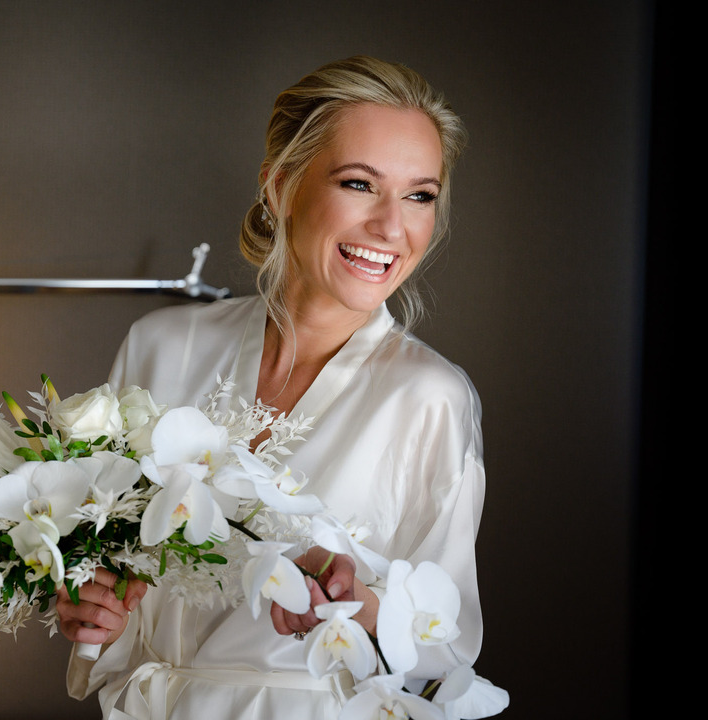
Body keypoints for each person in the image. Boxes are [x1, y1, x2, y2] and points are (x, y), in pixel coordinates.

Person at [57, 56, 481, 719]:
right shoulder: (161, 347)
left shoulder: (429, 398)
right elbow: (110, 578)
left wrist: (359, 608)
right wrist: (96, 614)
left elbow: (446, 660)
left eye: (420, 195)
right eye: (360, 184)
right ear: (281, 187)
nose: (392, 227)